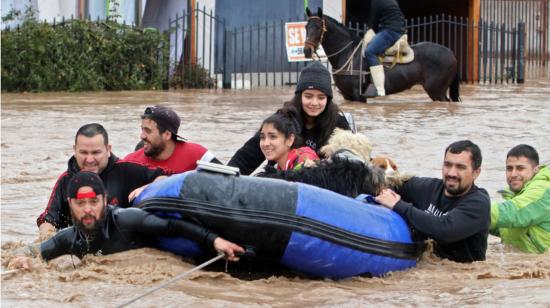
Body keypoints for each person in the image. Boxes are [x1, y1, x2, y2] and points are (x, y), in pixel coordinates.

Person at [8, 171, 244, 269]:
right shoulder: (68, 238)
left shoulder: (125, 219)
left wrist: (215, 241)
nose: (88, 210)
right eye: (81, 204)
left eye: (94, 202)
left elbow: (173, 226)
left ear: (105, 201)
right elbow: (33, 251)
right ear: (70, 205)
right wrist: (20, 261)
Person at [37, 123, 166, 239]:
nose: (89, 159)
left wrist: (148, 187)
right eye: (83, 152)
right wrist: (49, 239)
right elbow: (48, 220)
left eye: (96, 152)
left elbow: (167, 177)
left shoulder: (128, 170)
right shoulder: (66, 180)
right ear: (75, 150)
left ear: (108, 150)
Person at [375, 140, 490, 263]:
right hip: (423, 265)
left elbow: (444, 229)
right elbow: (393, 185)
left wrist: (399, 205)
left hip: (462, 274)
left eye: (460, 167)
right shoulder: (429, 187)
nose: (451, 173)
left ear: (476, 173)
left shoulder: (478, 203)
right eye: (447, 165)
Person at [228, 61, 351, 175]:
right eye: (308, 96)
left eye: (320, 97)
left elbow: (351, 161)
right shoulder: (283, 118)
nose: (314, 103)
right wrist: (229, 175)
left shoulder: (339, 124)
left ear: (328, 99)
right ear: (299, 96)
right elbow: (250, 153)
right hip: (282, 181)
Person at [124, 105, 220, 174]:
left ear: (167, 134)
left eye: (148, 131)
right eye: (142, 129)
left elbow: (229, 181)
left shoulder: (198, 155)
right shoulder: (130, 162)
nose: (142, 136)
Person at [490, 144, 550, 253]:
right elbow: (506, 228)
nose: (513, 174)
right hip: (523, 263)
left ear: (536, 169)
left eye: (520, 168)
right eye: (509, 168)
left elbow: (514, 213)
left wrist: (472, 212)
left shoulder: (543, 190)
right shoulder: (516, 194)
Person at [362, 0, 406, 97]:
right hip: (396, 30)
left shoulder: (376, 1)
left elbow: (374, 20)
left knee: (369, 51)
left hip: (390, 31)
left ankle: (379, 90)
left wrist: (371, 32)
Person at [259, 107, 319, 171]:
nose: (265, 143)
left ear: (290, 140)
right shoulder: (279, 168)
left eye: (273, 137)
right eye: (262, 137)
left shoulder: (305, 161)